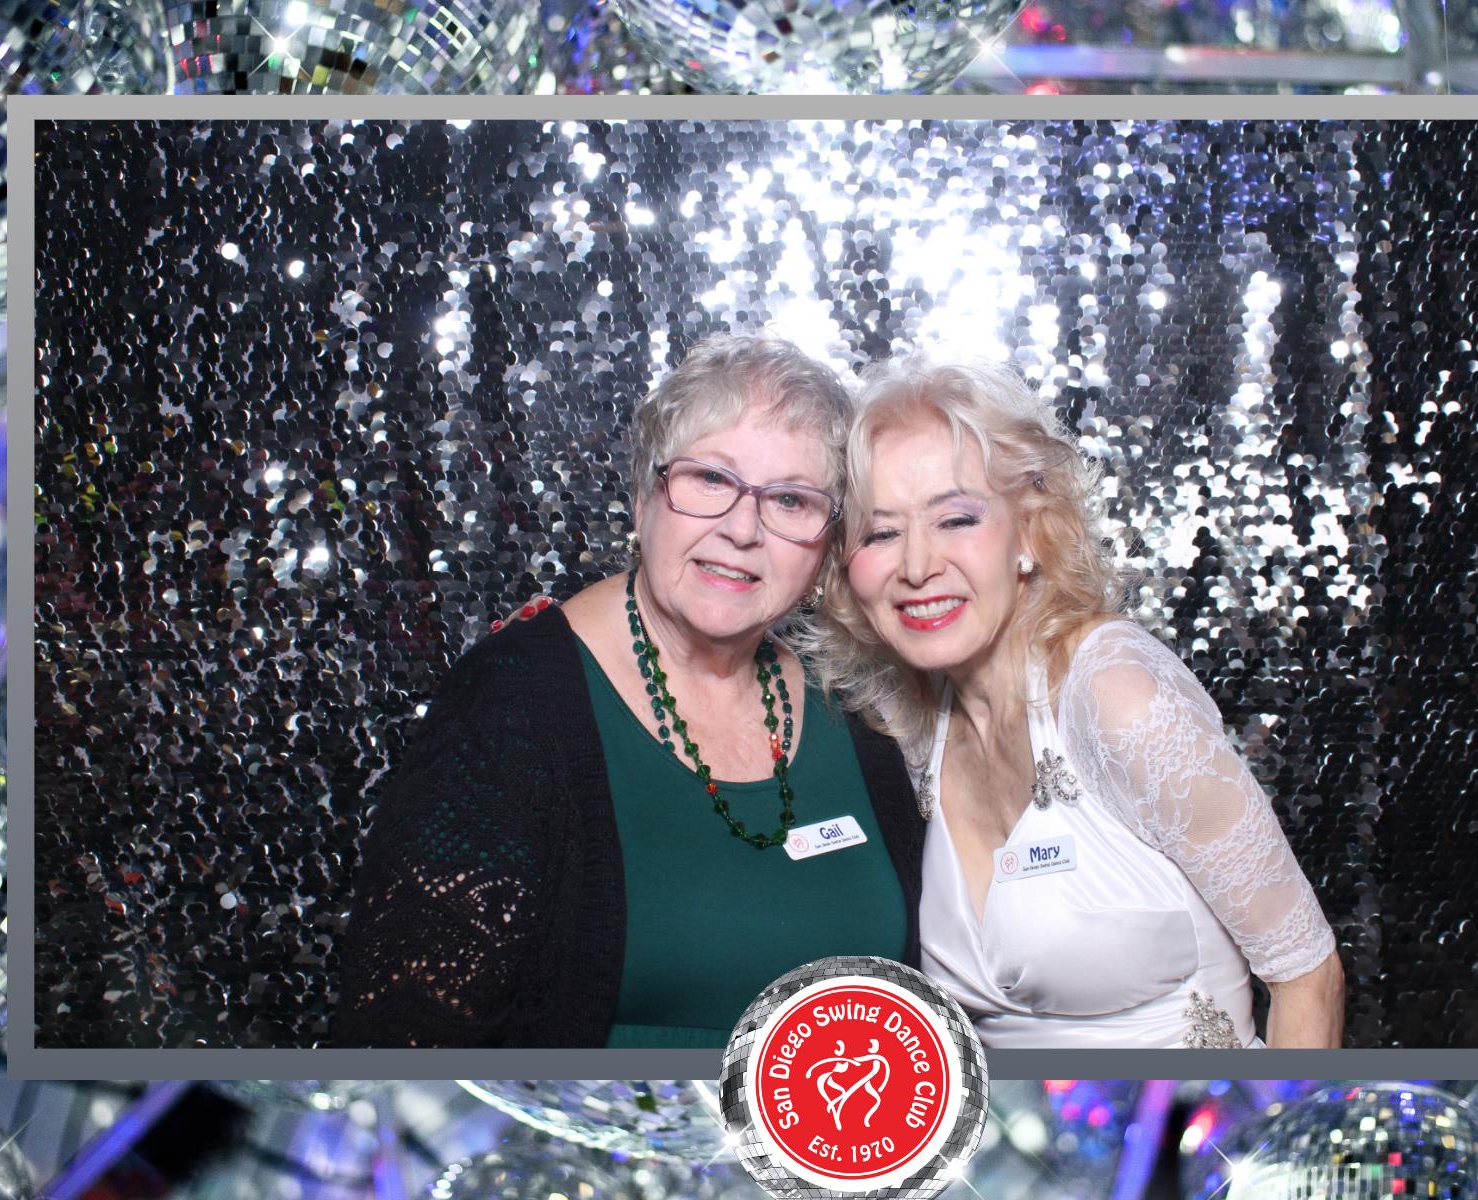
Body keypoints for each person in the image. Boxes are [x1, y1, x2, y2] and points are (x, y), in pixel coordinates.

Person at [334, 335, 925, 1048]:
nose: (742, 529)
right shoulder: (512, 705)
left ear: (828, 543)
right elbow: (403, 1037)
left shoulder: (850, 706)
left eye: (791, 500)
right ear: (645, 496)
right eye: (711, 479)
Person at [802, 357, 1344, 1048]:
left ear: (1028, 530)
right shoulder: (910, 727)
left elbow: (1308, 976)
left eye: (956, 519)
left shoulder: (1118, 696)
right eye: (881, 533)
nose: (916, 566)